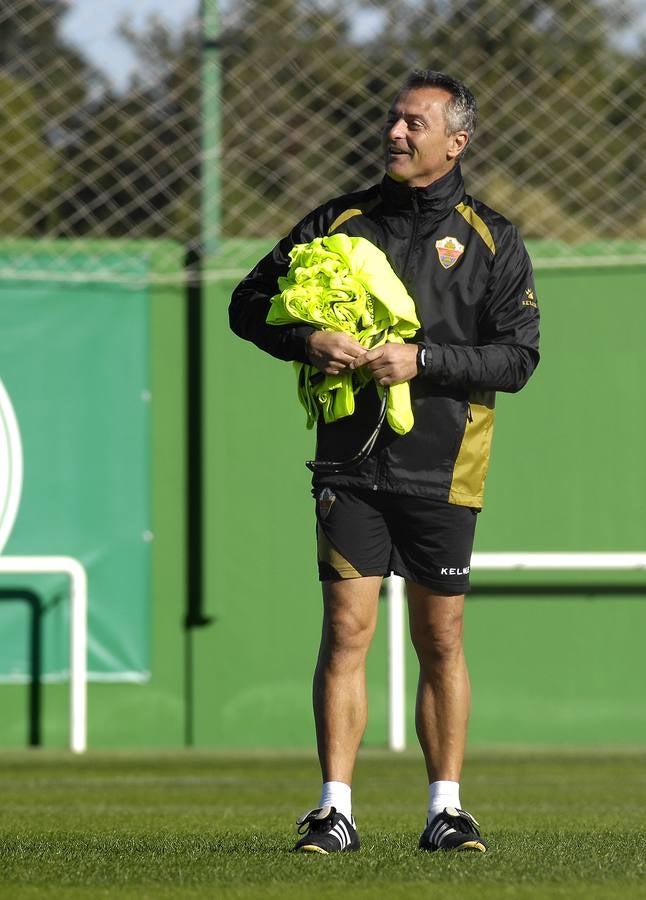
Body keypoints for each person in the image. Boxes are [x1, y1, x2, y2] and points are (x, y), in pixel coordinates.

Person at [229, 69, 540, 855]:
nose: (396, 134)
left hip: (445, 466)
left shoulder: (493, 237)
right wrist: (307, 340)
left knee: (440, 639)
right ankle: (334, 810)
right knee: (346, 630)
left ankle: (447, 809)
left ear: (455, 142)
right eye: (393, 120)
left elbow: (518, 358)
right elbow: (245, 304)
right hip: (350, 466)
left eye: (415, 124)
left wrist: (424, 360)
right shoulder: (339, 220)